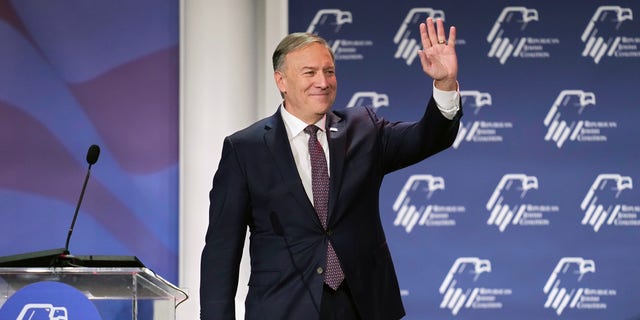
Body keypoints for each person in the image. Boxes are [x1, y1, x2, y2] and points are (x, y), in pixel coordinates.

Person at [200, 17, 462, 320]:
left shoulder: (364, 129)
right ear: (281, 81)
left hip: (362, 306)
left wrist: (444, 84)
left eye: (329, 71)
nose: (322, 82)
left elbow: (427, 138)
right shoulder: (246, 149)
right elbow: (221, 251)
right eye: (309, 72)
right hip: (283, 308)